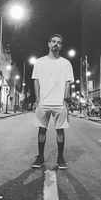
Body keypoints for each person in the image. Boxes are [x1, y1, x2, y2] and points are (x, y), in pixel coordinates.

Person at [31, 34, 74, 169]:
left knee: (60, 131)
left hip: (60, 103)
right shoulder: (39, 62)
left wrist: (66, 100)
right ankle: (40, 157)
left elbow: (68, 82)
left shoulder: (66, 63)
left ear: (61, 46)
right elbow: (36, 81)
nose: (56, 44)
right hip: (43, 102)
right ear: (49, 44)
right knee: (41, 130)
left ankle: (60, 158)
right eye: (53, 41)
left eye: (58, 42)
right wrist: (38, 99)